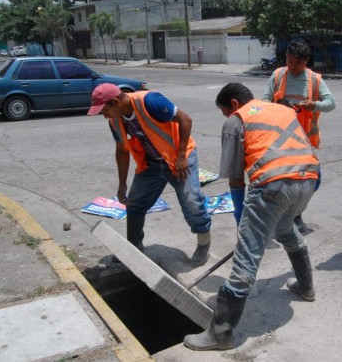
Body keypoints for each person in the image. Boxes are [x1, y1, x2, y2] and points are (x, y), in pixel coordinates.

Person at [184, 83, 319, 351]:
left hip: (273, 184)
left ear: (234, 104)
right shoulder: (279, 109)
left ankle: (221, 333)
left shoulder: (237, 119)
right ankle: (306, 286)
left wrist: (241, 221)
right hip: (308, 179)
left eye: (225, 112)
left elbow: (236, 178)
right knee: (286, 230)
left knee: (248, 253)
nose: (226, 117)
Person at [88, 83, 212, 267]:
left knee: (192, 201)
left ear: (115, 102)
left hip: (178, 159)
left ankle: (203, 245)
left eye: (104, 111)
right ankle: (134, 247)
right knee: (135, 204)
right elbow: (122, 150)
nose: (104, 116)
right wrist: (122, 184)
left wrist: (180, 157)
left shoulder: (149, 101)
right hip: (152, 163)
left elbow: (185, 119)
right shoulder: (115, 121)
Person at [263, 39, 335, 233]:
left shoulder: (314, 80)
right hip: (279, 139)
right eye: (290, 61)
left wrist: (314, 105)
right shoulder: (278, 75)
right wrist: (278, 106)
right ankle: (283, 216)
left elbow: (331, 103)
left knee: (313, 179)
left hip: (304, 141)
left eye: (298, 63)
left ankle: (295, 214)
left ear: (306, 61)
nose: (293, 66)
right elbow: (264, 101)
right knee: (282, 180)